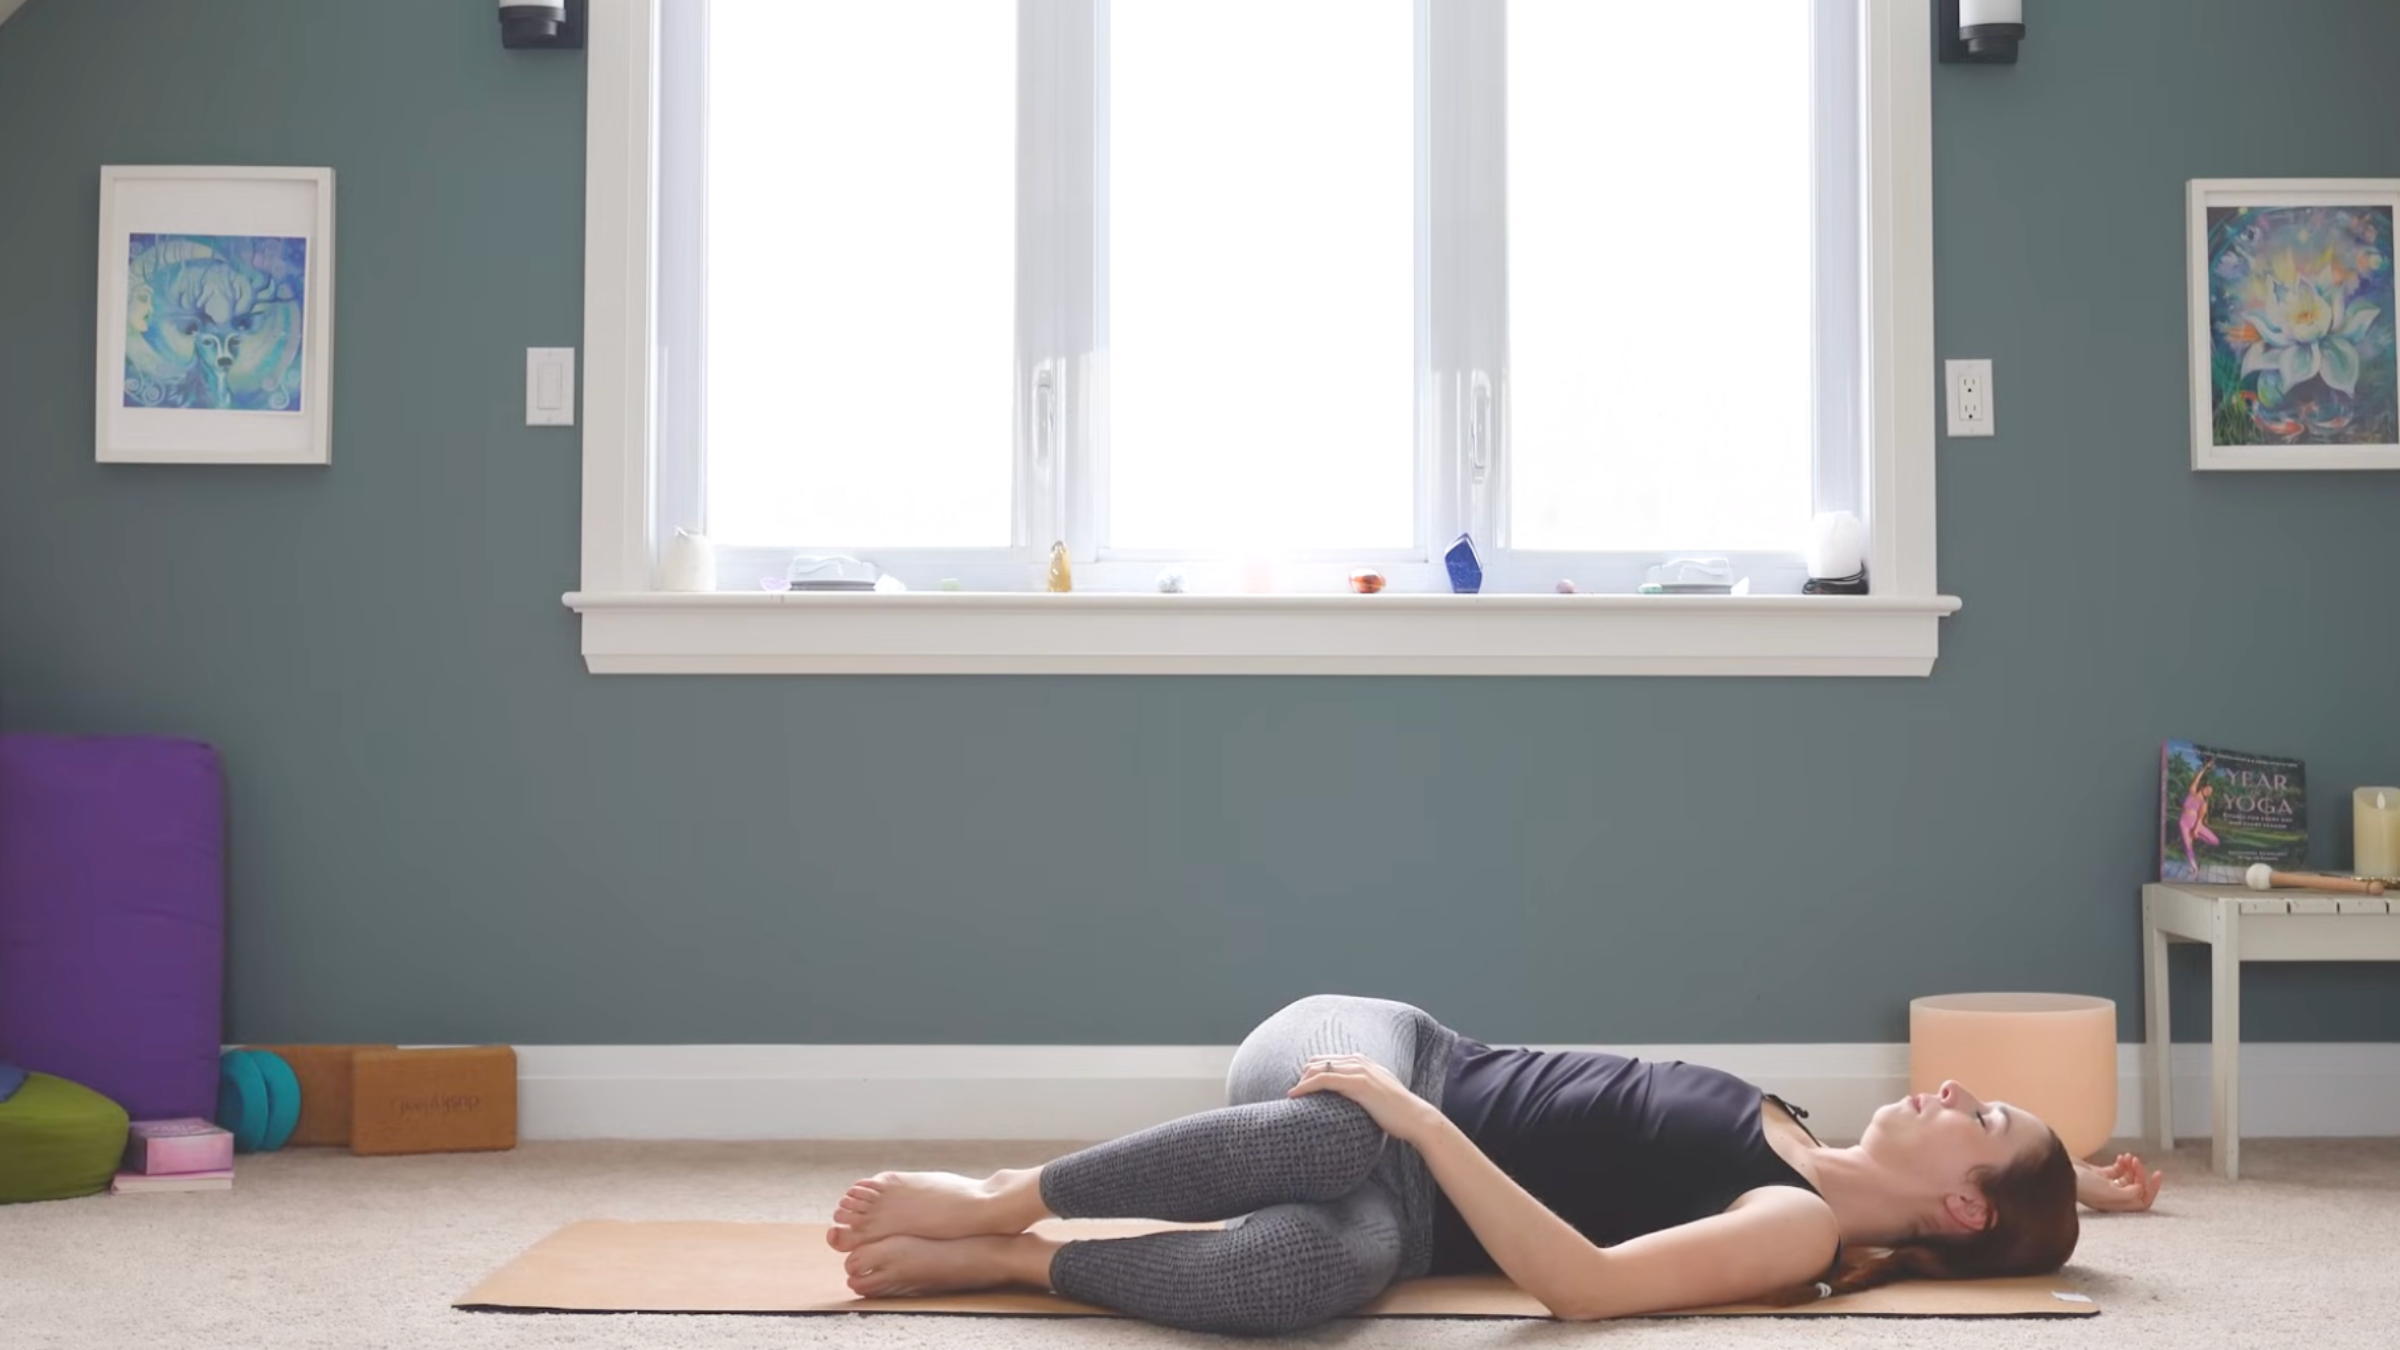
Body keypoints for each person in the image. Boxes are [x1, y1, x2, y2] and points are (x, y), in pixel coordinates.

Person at [826, 994, 2163, 1336]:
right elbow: (2006, 1204)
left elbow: (1578, 1287)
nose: (1946, 1085)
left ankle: (1018, 1258)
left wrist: (1423, 1129)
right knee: (1332, 1126)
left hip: (1406, 1179)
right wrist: (2082, 1188)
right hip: (1373, 1046)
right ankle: (1002, 1191)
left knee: (1324, 1270)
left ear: (1961, 1202)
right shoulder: (1804, 1137)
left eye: (1975, 1113)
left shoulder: (1796, 1225)